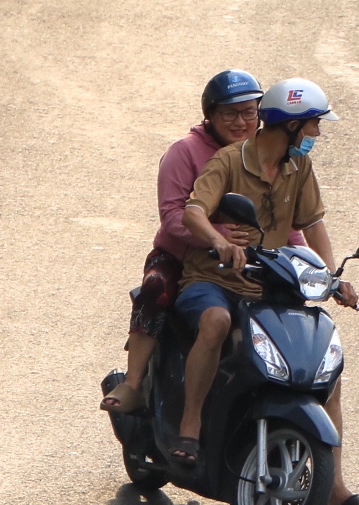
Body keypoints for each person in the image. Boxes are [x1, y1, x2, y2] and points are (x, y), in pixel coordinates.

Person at [173, 78, 359, 505]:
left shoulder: (298, 167)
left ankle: (334, 489)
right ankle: (190, 427)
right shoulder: (229, 160)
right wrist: (219, 241)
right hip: (213, 279)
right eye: (312, 125)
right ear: (290, 126)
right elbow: (193, 211)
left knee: (324, 368)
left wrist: (332, 278)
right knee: (215, 321)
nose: (316, 134)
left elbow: (313, 226)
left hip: (269, 287)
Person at [102, 70, 270, 413]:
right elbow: (172, 215)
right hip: (180, 257)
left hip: (245, 262)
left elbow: (287, 220)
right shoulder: (184, 152)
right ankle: (133, 383)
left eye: (248, 113)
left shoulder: (266, 156)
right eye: (230, 113)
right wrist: (218, 236)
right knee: (155, 287)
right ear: (211, 115)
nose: (240, 122)